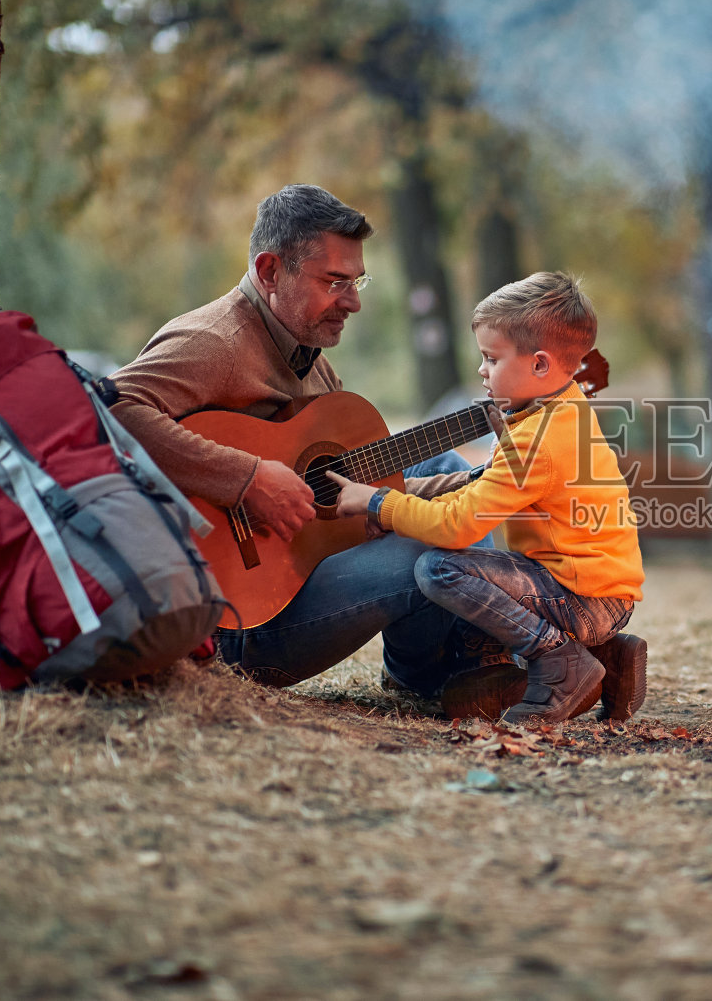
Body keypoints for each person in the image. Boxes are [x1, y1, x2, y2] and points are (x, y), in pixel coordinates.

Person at [108, 183, 478, 695]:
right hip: (232, 625)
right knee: (442, 533)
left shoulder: (309, 355)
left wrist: (366, 517)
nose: (352, 302)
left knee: (445, 467)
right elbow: (109, 412)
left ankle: (441, 665)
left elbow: (327, 499)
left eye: (358, 282)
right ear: (269, 271)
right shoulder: (214, 342)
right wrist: (247, 479)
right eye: (334, 281)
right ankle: (434, 676)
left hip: (293, 574)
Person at [326, 271, 646, 724]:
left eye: (491, 359)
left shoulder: (537, 440)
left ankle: (561, 662)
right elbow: (478, 487)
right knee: (478, 574)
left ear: (539, 365)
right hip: (599, 591)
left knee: (440, 569)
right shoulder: (560, 405)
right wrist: (397, 496)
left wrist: (381, 505)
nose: (481, 370)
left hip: (584, 598)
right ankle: (609, 655)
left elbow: (460, 526)